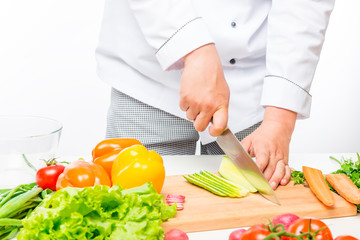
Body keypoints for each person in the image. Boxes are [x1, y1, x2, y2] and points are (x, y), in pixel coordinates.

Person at [95, 0, 335, 189]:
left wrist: (280, 120)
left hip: (254, 92)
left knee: (252, 212)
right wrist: (192, 49)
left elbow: (304, 5)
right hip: (148, 78)